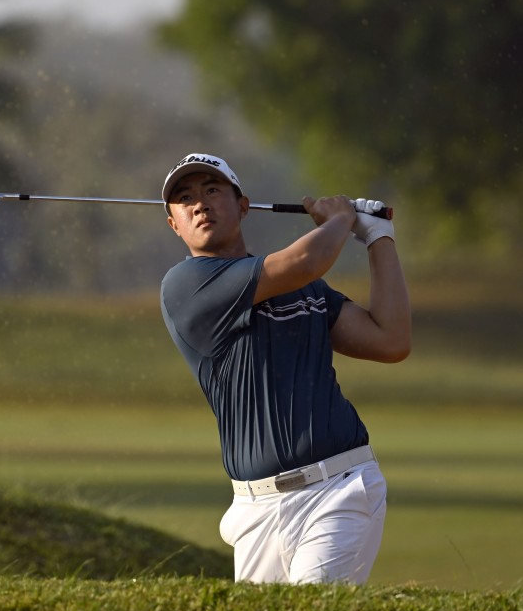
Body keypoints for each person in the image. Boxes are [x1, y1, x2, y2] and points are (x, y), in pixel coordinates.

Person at [159, 152, 411, 584]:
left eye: (212, 190)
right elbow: (303, 261)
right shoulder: (186, 285)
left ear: (242, 205)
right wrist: (341, 219)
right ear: (174, 223)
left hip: (339, 488)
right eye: (184, 198)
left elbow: (390, 340)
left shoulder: (307, 290)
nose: (199, 203)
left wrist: (378, 240)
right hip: (255, 510)